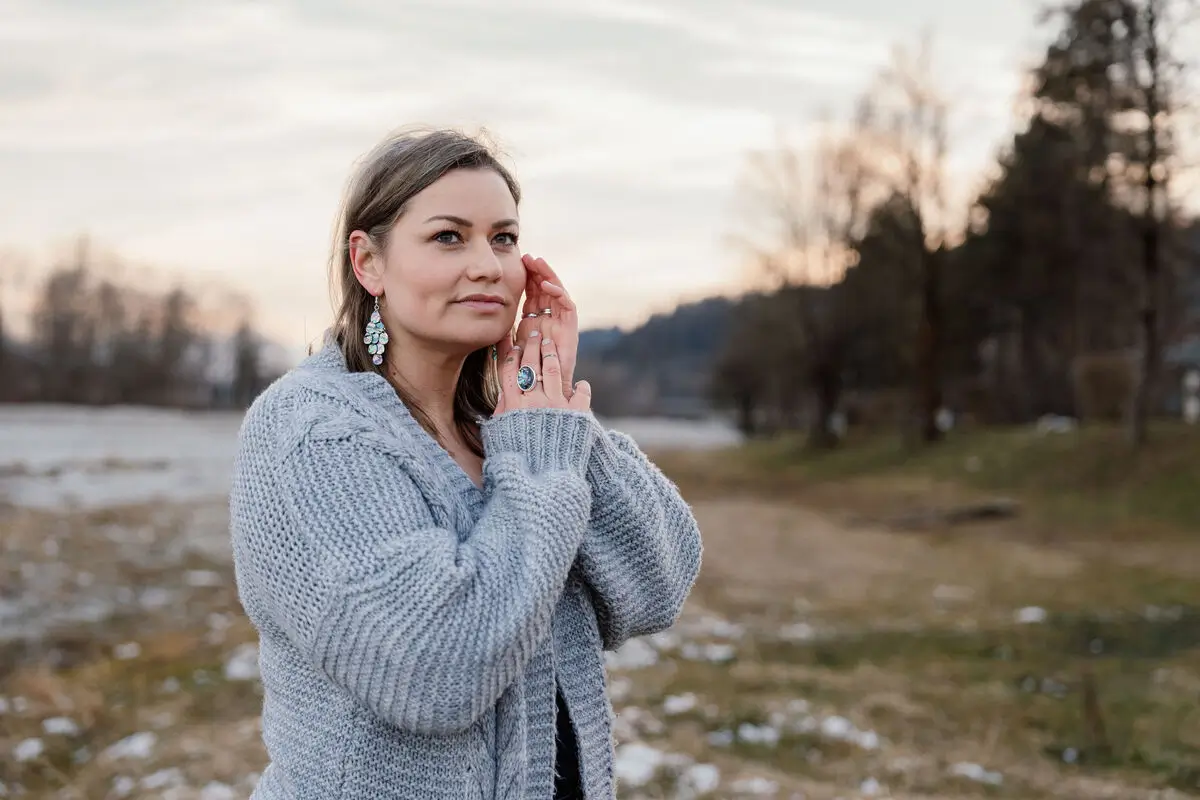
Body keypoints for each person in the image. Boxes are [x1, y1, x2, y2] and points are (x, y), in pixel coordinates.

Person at [229, 127, 703, 799]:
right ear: (368, 262)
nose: (488, 265)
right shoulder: (312, 431)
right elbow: (435, 672)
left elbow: (658, 584)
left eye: (503, 239)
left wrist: (556, 406)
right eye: (449, 237)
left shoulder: (504, 427)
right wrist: (541, 448)